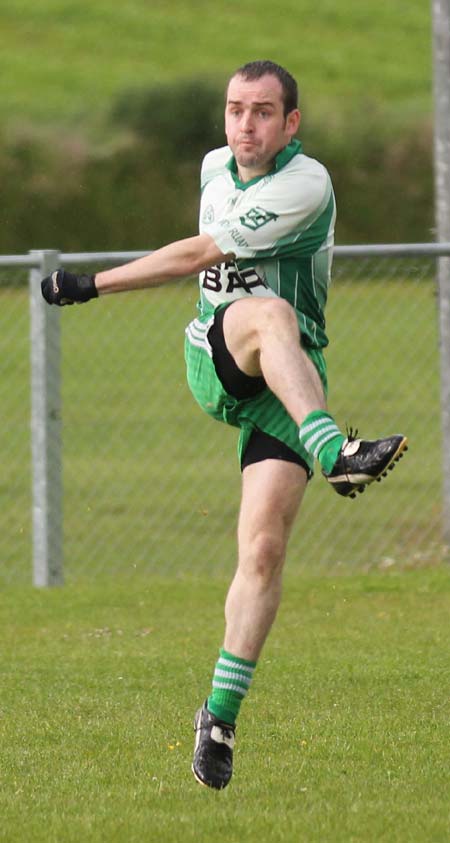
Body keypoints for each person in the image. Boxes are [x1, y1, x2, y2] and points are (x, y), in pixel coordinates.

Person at [41, 60, 407, 790]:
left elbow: (206, 249)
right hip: (218, 356)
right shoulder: (217, 167)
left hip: (289, 384)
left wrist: (92, 281)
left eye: (264, 112)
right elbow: (206, 259)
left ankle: (218, 717)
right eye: (237, 110)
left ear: (291, 123)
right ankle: (336, 450)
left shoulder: (306, 184)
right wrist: (96, 285)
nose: (247, 125)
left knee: (264, 550)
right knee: (267, 313)